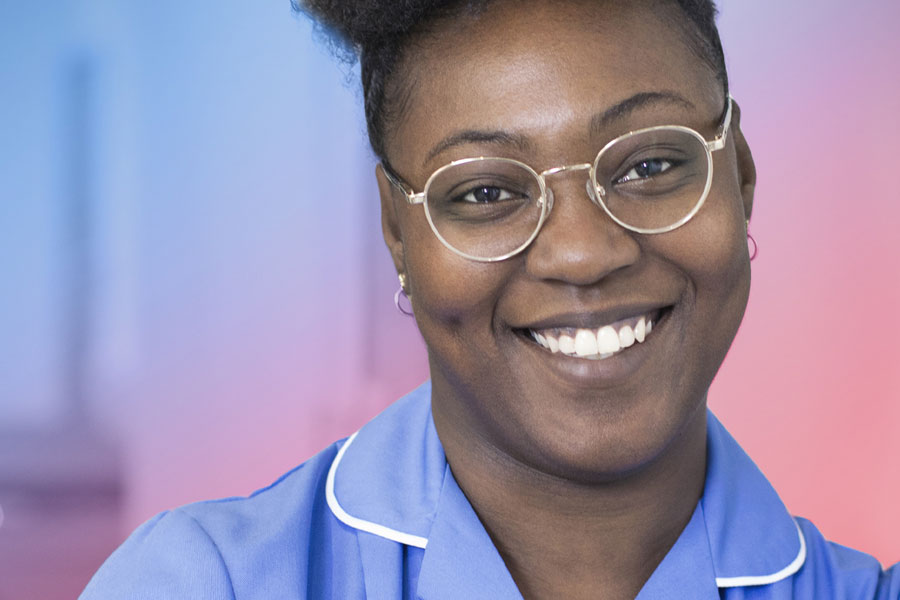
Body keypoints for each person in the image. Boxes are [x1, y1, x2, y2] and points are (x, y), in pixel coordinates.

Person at [80, 1, 899, 598]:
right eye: (483, 193)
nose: (585, 251)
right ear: (399, 235)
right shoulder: (205, 583)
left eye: (649, 165)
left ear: (740, 177)